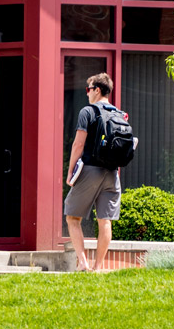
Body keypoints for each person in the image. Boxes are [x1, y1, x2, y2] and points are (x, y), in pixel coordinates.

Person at [63, 72, 121, 272]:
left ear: (97, 90)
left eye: (88, 90)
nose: (87, 93)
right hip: (112, 174)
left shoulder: (87, 112)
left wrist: (70, 172)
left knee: (72, 217)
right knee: (105, 221)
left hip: (90, 170)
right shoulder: (119, 114)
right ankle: (98, 268)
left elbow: (78, 144)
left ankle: (83, 263)